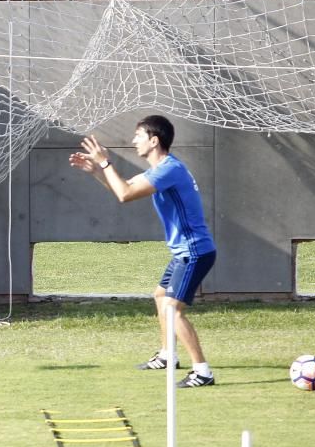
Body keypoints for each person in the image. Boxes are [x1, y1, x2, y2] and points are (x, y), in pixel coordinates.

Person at [69, 115, 217, 388]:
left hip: (195, 251)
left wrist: (104, 162)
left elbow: (125, 194)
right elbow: (123, 188)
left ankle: (202, 371)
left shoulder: (169, 170)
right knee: (161, 296)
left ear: (154, 140)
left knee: (173, 310)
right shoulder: (160, 170)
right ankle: (167, 355)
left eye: (138, 135)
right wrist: (98, 172)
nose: (133, 140)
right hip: (183, 251)